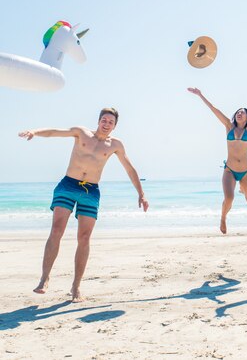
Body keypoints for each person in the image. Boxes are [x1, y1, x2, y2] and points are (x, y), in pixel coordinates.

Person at [18, 108, 149, 302]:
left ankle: (76, 287)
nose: (106, 123)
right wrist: (35, 132)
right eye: (104, 120)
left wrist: (141, 193)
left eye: (110, 122)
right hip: (68, 185)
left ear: (115, 126)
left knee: (84, 238)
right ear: (98, 121)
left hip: (91, 191)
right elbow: (55, 132)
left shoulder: (115, 145)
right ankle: (44, 279)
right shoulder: (81, 133)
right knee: (56, 230)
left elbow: (130, 168)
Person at [188, 88, 247, 234]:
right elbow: (214, 109)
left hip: (245, 172)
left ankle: (243, 188)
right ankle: (223, 218)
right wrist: (200, 95)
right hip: (230, 171)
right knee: (229, 198)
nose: (239, 113)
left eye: (242, 112)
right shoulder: (228, 126)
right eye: (238, 112)